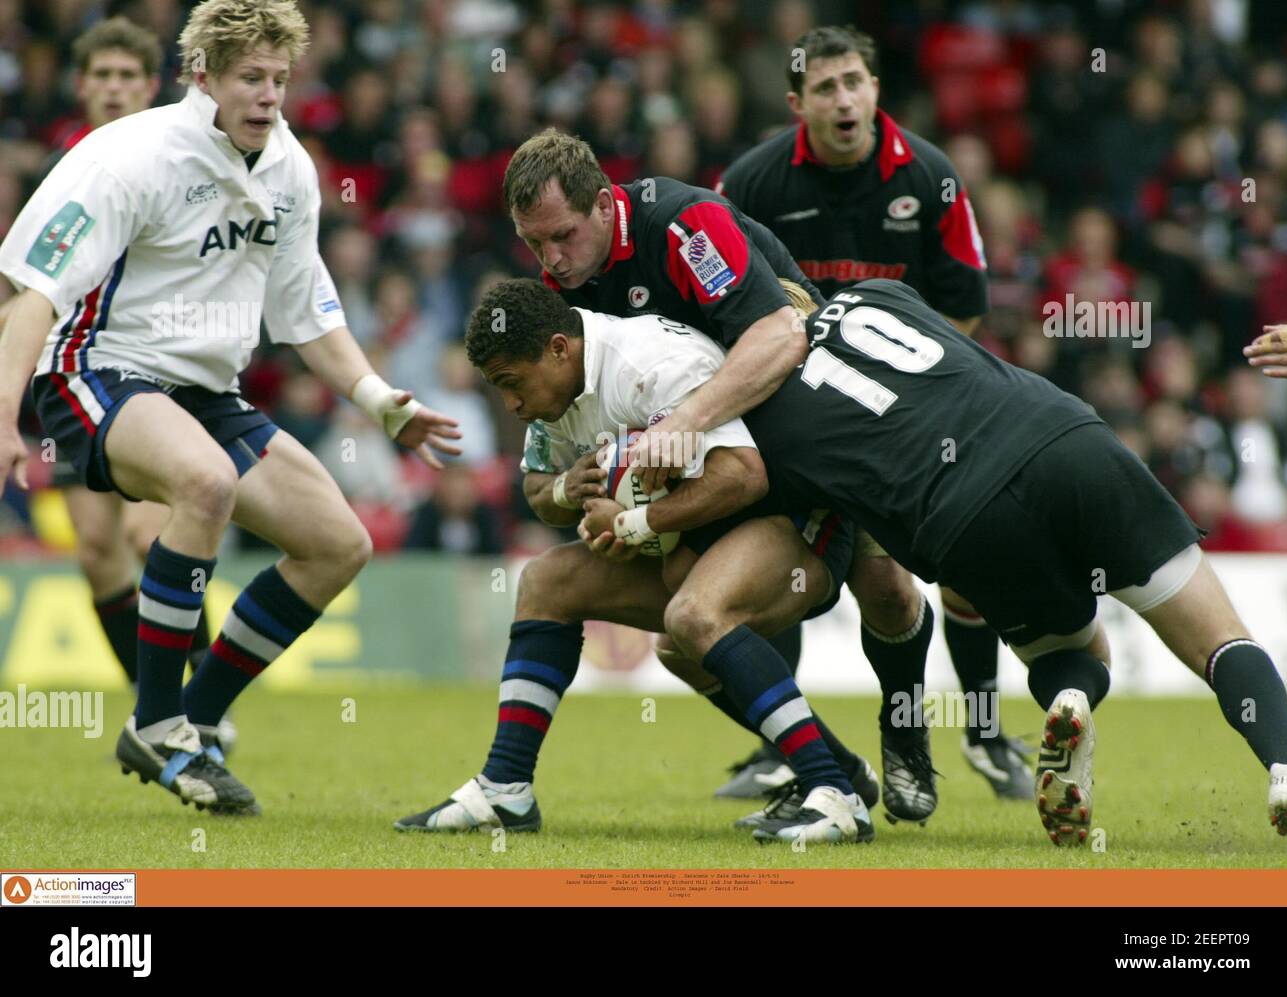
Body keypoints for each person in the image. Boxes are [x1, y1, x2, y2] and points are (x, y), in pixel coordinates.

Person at [0, 0, 460, 814]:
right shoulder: (126, 157)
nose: (269, 96)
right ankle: (160, 719)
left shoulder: (288, 170)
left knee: (337, 543)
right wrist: (4, 415)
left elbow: (309, 314)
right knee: (203, 484)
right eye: (251, 77)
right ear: (200, 75)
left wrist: (381, 401)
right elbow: (33, 296)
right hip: (95, 369)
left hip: (209, 391)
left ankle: (191, 721)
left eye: (280, 79)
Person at [665, 277, 1287, 847]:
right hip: (1063, 439)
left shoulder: (767, 427)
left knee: (1067, 654)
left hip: (964, 520)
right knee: (1218, 640)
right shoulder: (879, 293)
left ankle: (1071, 696)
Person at [504, 128, 938, 819]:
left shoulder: (684, 228)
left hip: (808, 422)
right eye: (534, 245)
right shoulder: (565, 294)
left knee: (885, 585)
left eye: (562, 235)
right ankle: (831, 768)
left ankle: (907, 732)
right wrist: (580, 480)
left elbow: (778, 335)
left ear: (603, 202)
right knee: (685, 641)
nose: (551, 259)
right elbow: (559, 431)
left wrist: (683, 426)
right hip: (720, 450)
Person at [395, 278, 877, 845]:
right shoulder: (551, 395)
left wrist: (634, 523)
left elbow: (744, 475)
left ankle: (835, 795)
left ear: (558, 348)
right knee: (551, 583)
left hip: (794, 520)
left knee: (695, 619)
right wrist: (567, 492)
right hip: (696, 538)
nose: (511, 404)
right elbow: (535, 491)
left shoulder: (650, 364)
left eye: (511, 384)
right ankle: (505, 790)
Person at [717, 24, 1031, 806]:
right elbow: (714, 299)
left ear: (876, 89)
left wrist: (920, 402)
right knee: (768, 566)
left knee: (942, 572)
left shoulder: (931, 178)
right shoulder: (753, 184)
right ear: (797, 104)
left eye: (854, 81)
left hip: (908, 418)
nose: (844, 99)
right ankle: (781, 746)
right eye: (825, 88)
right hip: (789, 415)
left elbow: (964, 312)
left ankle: (982, 732)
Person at [0, 17, 232, 735]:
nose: (113, 87)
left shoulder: (179, 163)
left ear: (150, 86)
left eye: (127, 76)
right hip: (65, 373)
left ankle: (197, 707)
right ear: (81, 87)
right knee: (98, 552)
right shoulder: (67, 168)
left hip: (150, 374)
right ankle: (156, 709)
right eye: (100, 76)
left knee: (145, 534)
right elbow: (29, 280)